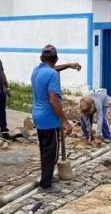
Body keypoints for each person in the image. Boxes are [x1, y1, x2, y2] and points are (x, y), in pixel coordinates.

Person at [31, 45, 81, 192]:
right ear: (56, 59)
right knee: (51, 153)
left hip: (38, 117)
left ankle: (46, 177)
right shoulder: (52, 74)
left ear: (41, 58)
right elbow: (53, 100)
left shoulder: (36, 70)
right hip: (49, 119)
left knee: (44, 150)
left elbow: (52, 69)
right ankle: (45, 184)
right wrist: (65, 121)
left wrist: (68, 66)